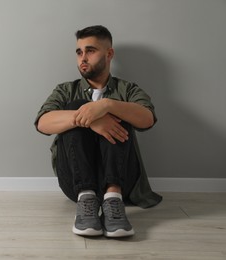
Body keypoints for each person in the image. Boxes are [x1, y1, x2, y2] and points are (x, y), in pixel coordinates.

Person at [34, 25, 162, 238]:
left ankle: (113, 200)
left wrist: (108, 105)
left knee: (124, 110)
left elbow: (147, 119)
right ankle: (87, 199)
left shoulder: (127, 90)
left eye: (90, 51)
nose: (83, 58)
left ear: (109, 53)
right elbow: (43, 123)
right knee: (76, 104)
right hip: (74, 182)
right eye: (79, 52)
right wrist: (90, 119)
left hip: (123, 180)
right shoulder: (65, 89)